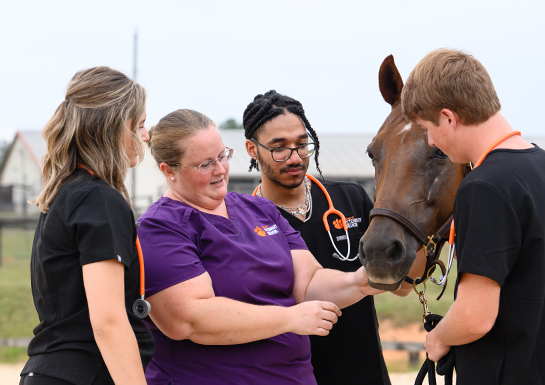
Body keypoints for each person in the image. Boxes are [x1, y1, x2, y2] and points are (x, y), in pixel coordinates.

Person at [137, 108, 384, 384]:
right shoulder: (161, 228)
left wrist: (361, 281)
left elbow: (309, 282)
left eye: (222, 156)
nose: (220, 169)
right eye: (204, 164)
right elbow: (190, 319)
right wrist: (289, 319)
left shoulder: (260, 209)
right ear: (169, 171)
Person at [401, 48, 545, 384]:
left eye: (427, 128)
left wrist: (438, 339)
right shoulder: (539, 167)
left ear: (449, 118)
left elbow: (475, 316)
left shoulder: (484, 187)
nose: (431, 140)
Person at [242, 90, 392, 385]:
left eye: (302, 145)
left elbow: (402, 286)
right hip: (291, 376)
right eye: (279, 148)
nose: (295, 157)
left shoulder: (350, 197)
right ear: (251, 148)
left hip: (366, 373)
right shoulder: (247, 224)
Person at [20, 67, 154, 385]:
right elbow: (108, 321)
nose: (146, 136)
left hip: (51, 371)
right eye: (141, 124)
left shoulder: (66, 192)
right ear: (117, 127)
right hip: (82, 374)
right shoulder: (99, 200)